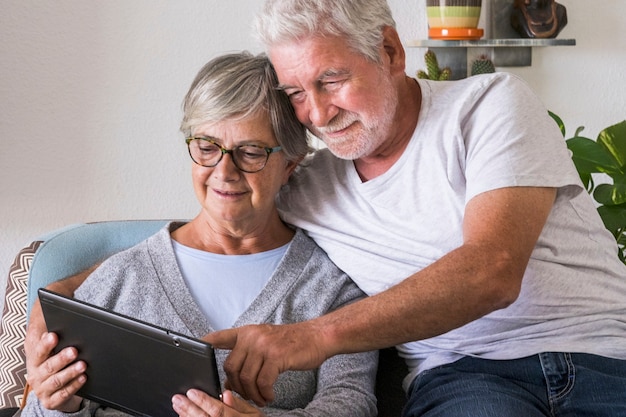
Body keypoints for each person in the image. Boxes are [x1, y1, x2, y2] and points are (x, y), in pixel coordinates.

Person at [23, 1, 626, 416]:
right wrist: (54, 297)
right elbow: (214, 213)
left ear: (390, 50)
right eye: (294, 92)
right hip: (471, 380)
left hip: (605, 357)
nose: (315, 113)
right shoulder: (310, 180)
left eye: (331, 80)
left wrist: (313, 338)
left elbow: (492, 268)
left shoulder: (489, 107)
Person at [21, 51, 377, 417]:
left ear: (290, 163)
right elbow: (35, 410)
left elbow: (353, 404)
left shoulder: (333, 288)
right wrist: (60, 406)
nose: (224, 172)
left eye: (250, 152)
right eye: (207, 147)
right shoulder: (120, 279)